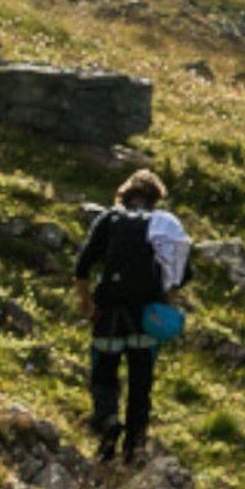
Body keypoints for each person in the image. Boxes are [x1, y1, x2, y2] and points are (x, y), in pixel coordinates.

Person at [73, 169, 190, 465]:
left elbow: (83, 265)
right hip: (146, 316)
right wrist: (166, 303)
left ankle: (108, 423)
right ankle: (134, 446)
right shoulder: (164, 227)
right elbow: (182, 273)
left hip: (108, 310)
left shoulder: (109, 220)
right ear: (155, 199)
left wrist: (87, 302)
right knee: (141, 382)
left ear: (124, 195)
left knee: (104, 373)